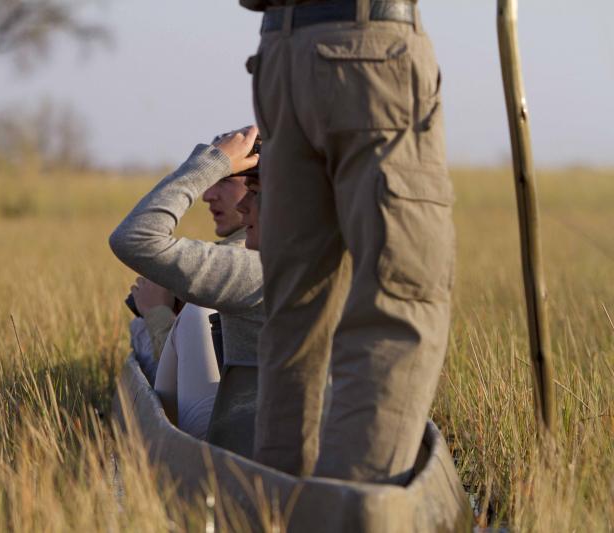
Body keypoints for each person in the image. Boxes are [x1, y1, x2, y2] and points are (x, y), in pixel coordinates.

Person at [242, 0, 456, 484]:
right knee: (401, 298)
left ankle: (279, 508)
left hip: (280, 54)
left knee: (293, 314)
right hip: (372, 53)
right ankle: (352, 506)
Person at [111, 127, 264, 440]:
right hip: (281, 441)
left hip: (240, 447)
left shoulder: (257, 270)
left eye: (227, 179)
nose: (209, 195)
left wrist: (158, 316)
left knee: (195, 315)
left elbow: (135, 237)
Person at [127, 165, 253, 385]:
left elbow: (195, 378)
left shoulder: (242, 258)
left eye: (225, 180)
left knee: (146, 327)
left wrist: (156, 312)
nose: (208, 195)